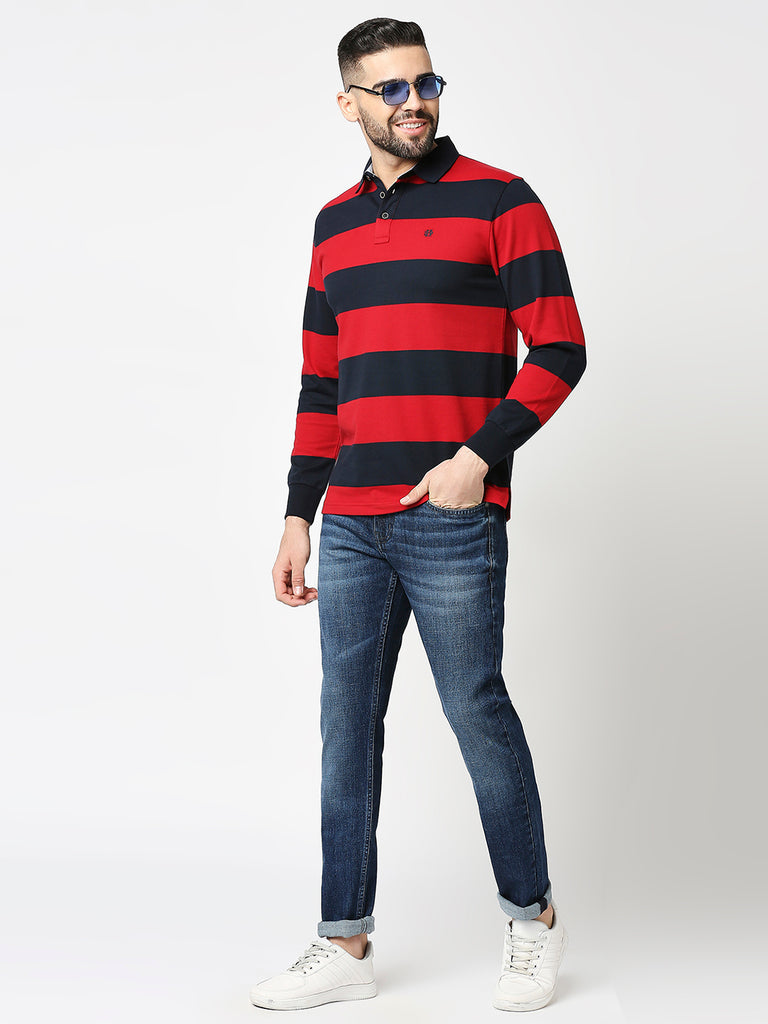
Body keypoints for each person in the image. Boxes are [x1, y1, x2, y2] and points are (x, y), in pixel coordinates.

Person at [252, 16, 586, 1013]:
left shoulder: (502, 199)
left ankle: (532, 919)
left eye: (426, 83)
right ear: (348, 103)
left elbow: (561, 348)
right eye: (391, 89)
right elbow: (322, 381)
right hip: (351, 520)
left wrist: (477, 460)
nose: (414, 103)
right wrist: (298, 514)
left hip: (451, 514)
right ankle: (344, 943)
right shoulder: (333, 225)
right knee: (345, 724)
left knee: (475, 710)